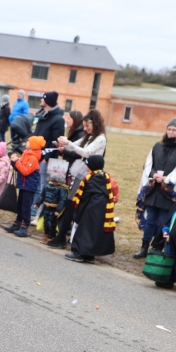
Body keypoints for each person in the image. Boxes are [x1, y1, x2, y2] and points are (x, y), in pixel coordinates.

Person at [134, 118, 176, 259]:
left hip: (169, 193)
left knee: (163, 221)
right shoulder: (158, 146)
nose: (171, 132)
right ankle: (144, 247)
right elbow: (149, 164)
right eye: (169, 129)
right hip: (154, 190)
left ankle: (157, 248)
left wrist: (167, 180)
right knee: (150, 220)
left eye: (174, 130)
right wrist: (153, 174)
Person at [47, 109, 107, 248]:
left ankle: (69, 237)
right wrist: (62, 143)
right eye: (84, 126)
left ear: (95, 123)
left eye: (87, 126)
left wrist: (68, 143)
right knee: (70, 204)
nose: (85, 129)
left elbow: (85, 152)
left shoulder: (100, 138)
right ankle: (63, 235)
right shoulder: (89, 137)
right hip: (81, 173)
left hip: (89, 176)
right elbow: (77, 145)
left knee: (76, 205)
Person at [64, 155, 115, 263]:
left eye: (87, 164)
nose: (85, 166)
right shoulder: (104, 176)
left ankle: (79, 253)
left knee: (85, 231)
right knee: (94, 232)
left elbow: (85, 197)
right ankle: (89, 256)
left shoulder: (91, 179)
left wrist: (78, 212)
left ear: (92, 166)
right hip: (101, 209)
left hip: (91, 209)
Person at [5, 135, 45, 238]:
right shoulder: (26, 153)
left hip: (29, 186)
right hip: (23, 185)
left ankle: (25, 227)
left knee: (26, 207)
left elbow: (25, 171)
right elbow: (19, 167)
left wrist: (17, 161)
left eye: (28, 141)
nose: (26, 142)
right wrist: (14, 161)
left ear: (33, 145)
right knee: (20, 206)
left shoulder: (33, 158)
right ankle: (17, 223)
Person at [32, 91, 66, 195]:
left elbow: (56, 141)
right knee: (35, 185)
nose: (41, 100)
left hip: (46, 160)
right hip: (37, 156)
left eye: (43, 98)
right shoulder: (43, 115)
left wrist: (46, 158)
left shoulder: (58, 119)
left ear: (48, 101)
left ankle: (37, 206)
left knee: (42, 187)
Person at [33, 167, 69, 243]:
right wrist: (38, 203)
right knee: (46, 222)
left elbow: (62, 200)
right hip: (46, 207)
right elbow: (42, 195)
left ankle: (51, 236)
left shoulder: (62, 189)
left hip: (54, 209)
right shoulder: (47, 186)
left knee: (53, 223)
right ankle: (46, 235)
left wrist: (58, 210)